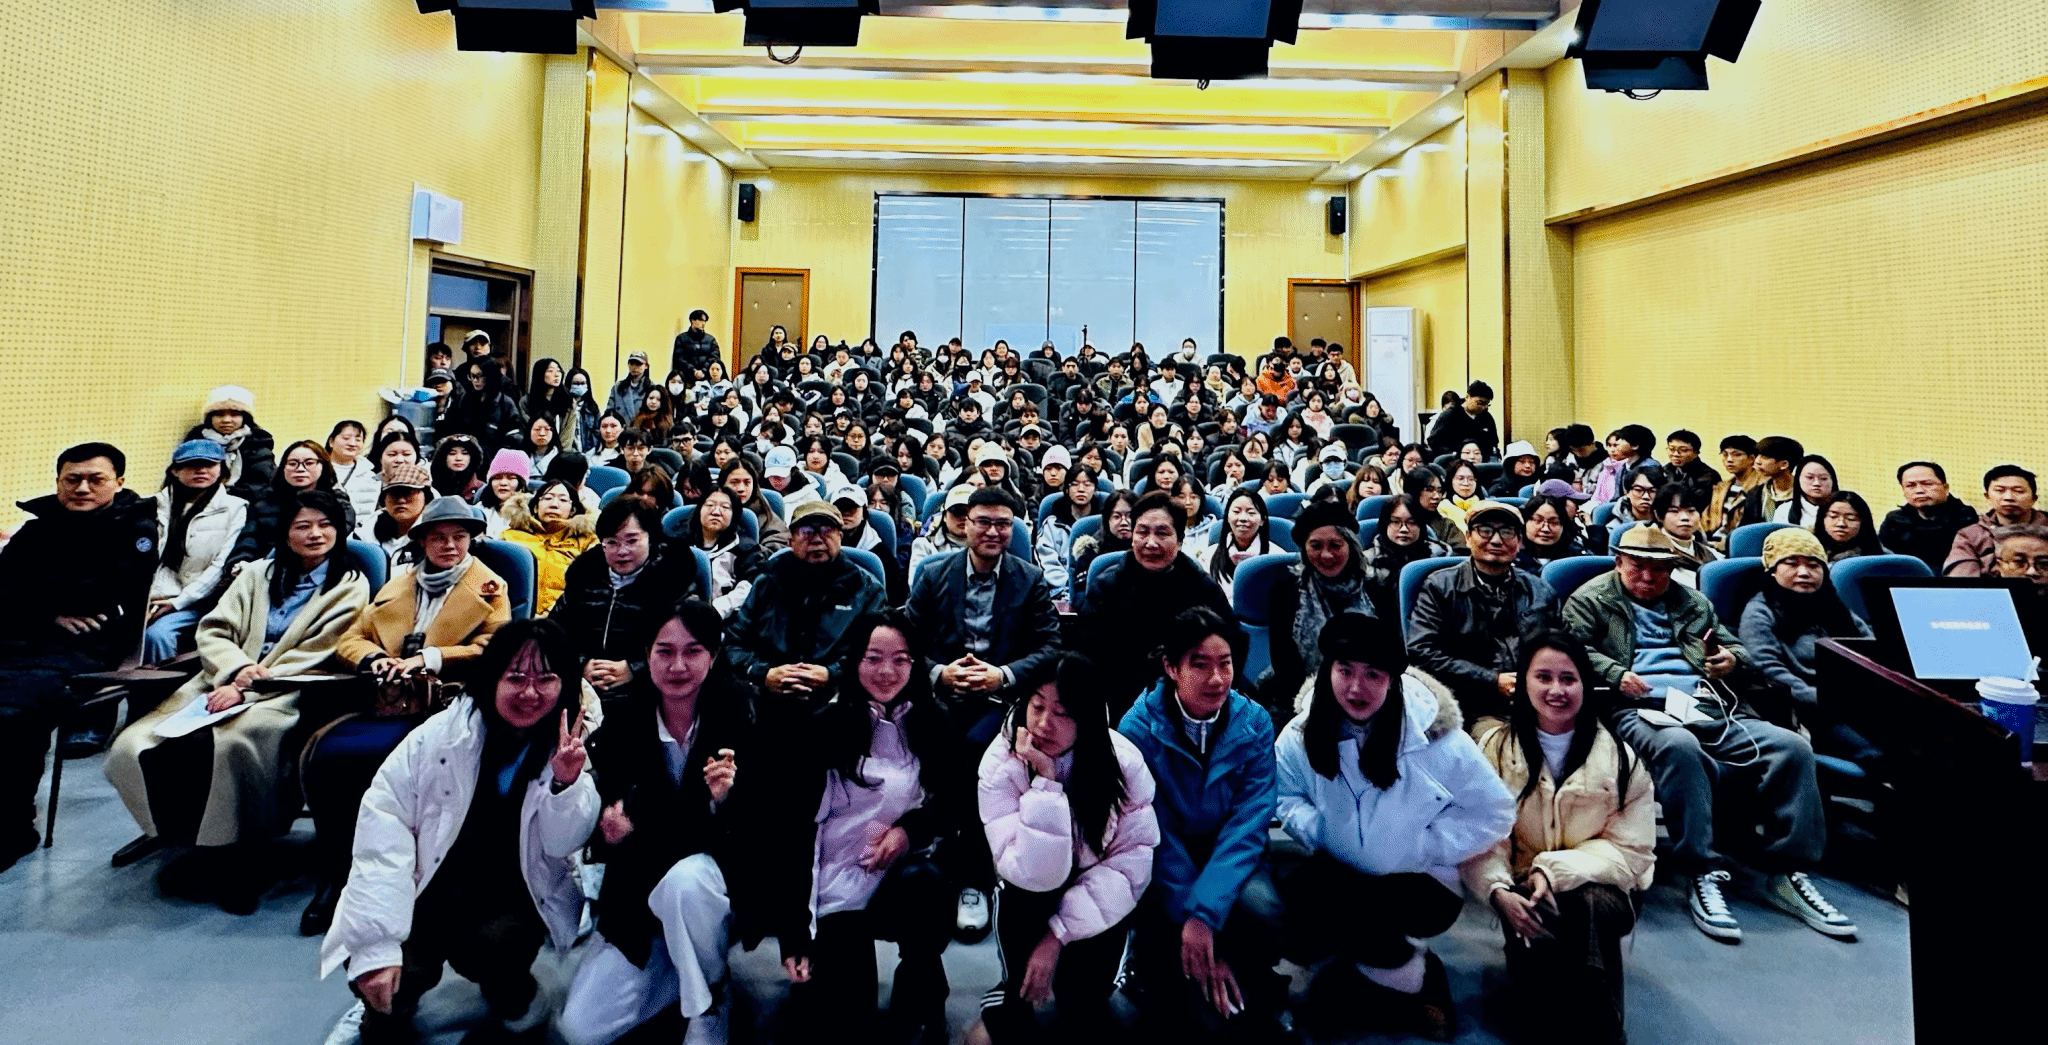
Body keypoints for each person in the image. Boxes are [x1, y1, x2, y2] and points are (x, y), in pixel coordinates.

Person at [1563, 525, 1852, 942]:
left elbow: (1738, 649)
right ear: (1619, 562)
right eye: (1638, 567)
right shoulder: (1591, 599)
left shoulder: (1692, 602)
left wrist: (1729, 660)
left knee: (1791, 748)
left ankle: (1786, 869)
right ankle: (1700, 868)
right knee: (1679, 746)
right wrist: (1614, 672)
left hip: (1706, 704)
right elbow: (1571, 650)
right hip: (1636, 707)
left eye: (1659, 569)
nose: (1648, 577)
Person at [319, 618, 598, 1044]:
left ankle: (516, 996)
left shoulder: (570, 745)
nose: (529, 692)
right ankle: (378, 1013)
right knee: (386, 974)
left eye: (546, 679)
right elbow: (382, 839)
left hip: (511, 893)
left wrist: (566, 783)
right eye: (515, 677)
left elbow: (565, 844)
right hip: (431, 885)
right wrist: (377, 946)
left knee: (498, 953)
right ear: (491, 679)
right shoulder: (439, 739)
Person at [104, 492, 369, 912]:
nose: (315, 534)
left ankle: (236, 855)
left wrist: (249, 685)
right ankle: (181, 839)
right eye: (302, 526)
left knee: (235, 741)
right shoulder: (258, 573)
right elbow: (214, 630)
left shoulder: (350, 585)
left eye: (325, 525)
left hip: (289, 689)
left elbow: (321, 650)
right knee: (133, 744)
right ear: (285, 532)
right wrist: (235, 669)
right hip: (218, 680)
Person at [1275, 612, 1514, 1041]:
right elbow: (1285, 794)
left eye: (1373, 674)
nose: (1356, 688)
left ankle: (1411, 984)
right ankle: (1388, 975)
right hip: (1341, 866)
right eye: (1344, 670)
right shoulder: (1301, 733)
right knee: (1298, 927)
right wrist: (1320, 830)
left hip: (1421, 880)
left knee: (1354, 932)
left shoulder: (1436, 739)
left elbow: (1495, 812)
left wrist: (1422, 846)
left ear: (1392, 680)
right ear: (1327, 670)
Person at [298, 497, 512, 934]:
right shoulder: (398, 584)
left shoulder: (491, 587)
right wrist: (374, 657)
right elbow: (351, 639)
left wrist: (431, 657)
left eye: (459, 537)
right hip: (386, 697)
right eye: (439, 538)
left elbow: (494, 646)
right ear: (422, 542)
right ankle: (340, 873)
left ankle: (410, 876)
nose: (449, 546)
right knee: (327, 757)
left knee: (397, 761)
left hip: (449, 701)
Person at [556, 599, 762, 1045]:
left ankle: (711, 997)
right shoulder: (624, 718)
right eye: (664, 651)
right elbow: (608, 826)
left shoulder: (744, 712)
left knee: (685, 883)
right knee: (582, 1030)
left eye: (693, 651)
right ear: (645, 654)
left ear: (714, 655)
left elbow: (759, 831)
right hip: (639, 893)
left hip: (714, 886)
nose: (677, 666)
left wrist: (726, 802)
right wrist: (600, 820)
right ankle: (682, 971)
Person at [763, 613, 961, 1044]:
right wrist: (795, 934)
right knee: (847, 1024)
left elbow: (952, 803)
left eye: (900, 659)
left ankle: (922, 991)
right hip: (836, 881)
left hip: (899, 874)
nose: (886, 671)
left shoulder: (935, 721)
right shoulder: (824, 725)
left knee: (927, 884)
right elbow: (795, 832)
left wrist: (909, 831)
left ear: (915, 664)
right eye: (873, 658)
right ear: (854, 661)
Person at [1465, 635, 1655, 1045]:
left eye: (1569, 679)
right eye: (1544, 677)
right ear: (1523, 682)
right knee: (1538, 1004)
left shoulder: (1620, 759)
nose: (1556, 690)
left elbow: (1633, 850)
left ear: (1585, 684)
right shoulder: (1493, 750)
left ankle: (1603, 1026)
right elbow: (1479, 836)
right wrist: (1498, 891)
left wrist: (1552, 871)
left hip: (1602, 892)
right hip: (1522, 893)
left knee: (1587, 905)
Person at [1116, 608, 1287, 1041]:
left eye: (1225, 664)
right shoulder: (1137, 729)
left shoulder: (1254, 722)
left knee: (1262, 908)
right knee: (1166, 987)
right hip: (1162, 856)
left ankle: (1238, 974)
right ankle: (1160, 969)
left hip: (1228, 850)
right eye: (1200, 665)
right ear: (1171, 667)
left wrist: (1204, 916)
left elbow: (1249, 824)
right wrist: (1194, 916)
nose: (1217, 679)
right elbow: (1153, 829)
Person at [972, 655, 1160, 1045]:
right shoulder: (1002, 763)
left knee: (1084, 1009)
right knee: (1013, 1015)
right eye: (1036, 706)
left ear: (1087, 718)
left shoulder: (1123, 764)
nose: (1043, 723)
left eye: (1062, 713)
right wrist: (1045, 782)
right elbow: (1030, 873)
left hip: (1098, 895)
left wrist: (1056, 936)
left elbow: (1130, 867)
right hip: (1030, 895)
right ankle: (1011, 992)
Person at [0, 443, 161, 867]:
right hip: (23, 635)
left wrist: (39, 595)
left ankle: (13, 827)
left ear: (118, 483)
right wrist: (50, 612)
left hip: (89, 647)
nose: (83, 488)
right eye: (72, 480)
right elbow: (5, 587)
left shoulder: (135, 530)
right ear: (58, 482)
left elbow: (104, 592)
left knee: (13, 714)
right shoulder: (36, 529)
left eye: (96, 479)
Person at [1074, 492, 1234, 718]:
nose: (1151, 543)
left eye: (1162, 533)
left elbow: (1230, 649)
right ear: (1132, 537)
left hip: (1190, 704)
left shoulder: (1202, 589)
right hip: (1120, 703)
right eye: (1142, 532)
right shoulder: (1106, 588)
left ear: (1179, 540)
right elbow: (1086, 657)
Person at [1406, 501, 1563, 732]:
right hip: (1472, 703)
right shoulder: (1440, 587)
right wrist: (1492, 680)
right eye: (1485, 530)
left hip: (1537, 700)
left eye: (1507, 532)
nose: (1496, 540)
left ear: (1519, 541)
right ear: (1468, 538)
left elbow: (1563, 648)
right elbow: (1422, 652)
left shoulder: (1540, 591)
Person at [1738, 528, 1882, 765]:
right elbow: (1769, 671)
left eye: (1814, 565)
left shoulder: (1834, 607)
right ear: (1773, 570)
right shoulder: (1759, 612)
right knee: (1880, 754)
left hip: (1859, 703)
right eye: (1792, 564)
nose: (1804, 572)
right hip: (1809, 712)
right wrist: (1829, 701)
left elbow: (1874, 653)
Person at [724, 500, 889, 705]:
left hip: (840, 700)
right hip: (766, 697)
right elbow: (733, 643)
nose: (817, 539)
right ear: (790, 541)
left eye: (826, 530)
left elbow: (878, 654)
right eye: (806, 531)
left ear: (840, 536)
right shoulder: (767, 582)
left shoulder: (867, 591)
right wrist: (763, 673)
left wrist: (832, 674)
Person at [549, 497, 705, 700]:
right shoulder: (583, 577)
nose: (622, 551)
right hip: (583, 687)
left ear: (651, 538)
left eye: (632, 541)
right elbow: (553, 633)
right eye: (612, 542)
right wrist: (581, 664)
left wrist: (634, 668)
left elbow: (693, 646)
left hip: (650, 690)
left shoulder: (674, 579)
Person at [1255, 500, 1375, 712]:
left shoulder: (1377, 589)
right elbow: (1285, 665)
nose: (1326, 555)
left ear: (1351, 546)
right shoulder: (1286, 591)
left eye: (1335, 545)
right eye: (1316, 546)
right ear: (1304, 549)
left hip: (1367, 695)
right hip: (1301, 699)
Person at [143, 440, 250, 664]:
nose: (201, 470)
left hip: (200, 599)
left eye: (209, 465)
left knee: (158, 635)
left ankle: (162, 684)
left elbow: (219, 565)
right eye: (192, 465)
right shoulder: (153, 505)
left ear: (221, 469)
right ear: (175, 470)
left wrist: (178, 602)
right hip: (151, 596)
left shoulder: (235, 508)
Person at [497, 479, 597, 617]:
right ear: (536, 507)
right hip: (513, 617)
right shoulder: (510, 537)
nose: (554, 504)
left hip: (564, 619)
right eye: (548, 498)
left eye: (563, 500)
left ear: (572, 510)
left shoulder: (588, 542)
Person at [1944, 464, 2048, 576]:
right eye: (2000, 490)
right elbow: (1963, 580)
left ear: (2034, 498)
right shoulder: (1971, 536)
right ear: (1987, 497)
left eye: (2018, 491)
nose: (2008, 497)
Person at [1360, 494, 1453, 620]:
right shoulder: (1366, 562)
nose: (1404, 529)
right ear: (1385, 524)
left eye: (1412, 522)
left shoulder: (1439, 556)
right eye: (1395, 522)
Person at [677, 485, 765, 617]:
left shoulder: (746, 549)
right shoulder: (680, 545)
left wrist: (717, 610)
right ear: (699, 509)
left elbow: (752, 584)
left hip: (730, 621)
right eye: (710, 505)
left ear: (734, 514)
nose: (716, 512)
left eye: (725, 507)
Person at [1877, 461, 1979, 572]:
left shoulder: (1966, 517)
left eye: (1927, 484)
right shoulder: (1894, 521)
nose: (1919, 490)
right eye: (1910, 486)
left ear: (1945, 487)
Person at [185, 384, 278, 501]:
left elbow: (263, 486)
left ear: (245, 417)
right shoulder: (195, 444)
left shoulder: (258, 444)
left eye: (234, 414)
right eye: (219, 414)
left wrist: (231, 497)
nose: (226, 420)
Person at [1033, 466, 1098, 603]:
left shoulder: (1103, 525)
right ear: (1067, 489)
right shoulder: (1052, 525)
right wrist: (1070, 585)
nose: (1081, 489)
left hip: (1096, 592)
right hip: (1059, 591)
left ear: (1095, 489)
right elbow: (1047, 564)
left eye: (1087, 484)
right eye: (1075, 484)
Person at [1201, 487, 1277, 605]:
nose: (1243, 518)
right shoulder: (1208, 557)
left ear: (1263, 519)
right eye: (1236, 512)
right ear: (1227, 517)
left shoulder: (1276, 557)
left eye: (1251, 513)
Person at [1066, 488, 1137, 609]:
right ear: (1107, 519)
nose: (1124, 522)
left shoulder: (1148, 552)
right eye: (1117, 516)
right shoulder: (1090, 551)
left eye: (1130, 516)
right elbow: (1080, 598)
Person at [357, 464, 436, 570]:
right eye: (394, 493)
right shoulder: (367, 529)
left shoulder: (436, 531)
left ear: (426, 497)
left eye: (409, 493)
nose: (401, 500)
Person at [1650, 483, 1720, 587]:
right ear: (1658, 515)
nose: (1685, 518)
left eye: (1691, 511)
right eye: (1674, 511)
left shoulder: (1711, 554)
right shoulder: (1652, 554)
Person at [720, 454, 790, 554]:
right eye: (734, 482)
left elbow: (778, 547)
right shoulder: (711, 510)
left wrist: (749, 549)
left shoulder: (764, 514)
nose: (741, 489)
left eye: (747, 482)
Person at [1702, 434, 1763, 549]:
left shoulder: (1761, 487)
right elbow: (1705, 521)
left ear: (1752, 459)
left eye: (1737, 455)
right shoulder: (1721, 487)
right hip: (1711, 543)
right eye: (1725, 455)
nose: (1729, 460)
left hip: (1740, 545)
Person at [1516, 487, 1591, 571]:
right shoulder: (1511, 558)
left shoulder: (1576, 559)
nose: (1545, 529)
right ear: (1525, 522)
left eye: (1554, 522)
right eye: (1538, 521)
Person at [1739, 435, 1805, 529]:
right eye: (1757, 456)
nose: (1757, 461)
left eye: (1765, 457)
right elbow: (1746, 528)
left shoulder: (1806, 494)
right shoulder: (1756, 493)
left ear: (1784, 464)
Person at [1423, 380, 1499, 459]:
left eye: (1487, 404)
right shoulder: (1450, 415)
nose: (1483, 407)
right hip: (1454, 460)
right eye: (1480, 402)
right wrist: (1453, 454)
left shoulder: (1486, 417)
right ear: (1468, 397)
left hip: (1480, 460)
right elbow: (1433, 441)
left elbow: (1493, 442)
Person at [329, 420, 383, 522]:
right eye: (346, 438)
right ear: (331, 442)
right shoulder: (317, 470)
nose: (352, 443)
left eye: (358, 440)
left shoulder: (371, 477)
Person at [1772, 454, 1840, 531]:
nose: (1816, 483)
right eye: (1810, 477)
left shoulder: (1845, 509)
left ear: (1832, 481)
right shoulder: (1784, 511)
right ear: (1798, 479)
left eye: (1823, 478)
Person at [1815, 490, 1885, 561]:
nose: (1841, 524)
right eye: (1833, 516)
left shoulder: (1879, 560)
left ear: (1863, 522)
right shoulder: (1809, 550)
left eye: (1851, 518)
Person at [1663, 429, 1722, 500]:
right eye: (1671, 449)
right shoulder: (1666, 470)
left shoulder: (1708, 476)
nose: (1676, 454)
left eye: (1683, 450)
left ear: (1696, 452)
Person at [673, 309, 721, 380]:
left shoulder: (710, 340)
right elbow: (679, 359)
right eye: (701, 320)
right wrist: (693, 370)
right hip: (687, 378)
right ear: (693, 320)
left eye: (704, 321)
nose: (703, 323)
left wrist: (704, 370)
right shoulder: (682, 338)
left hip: (706, 378)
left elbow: (715, 357)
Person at [609, 351, 654, 418]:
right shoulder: (618, 388)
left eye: (638, 364)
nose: (634, 367)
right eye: (631, 363)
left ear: (646, 366)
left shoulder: (652, 389)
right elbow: (609, 412)